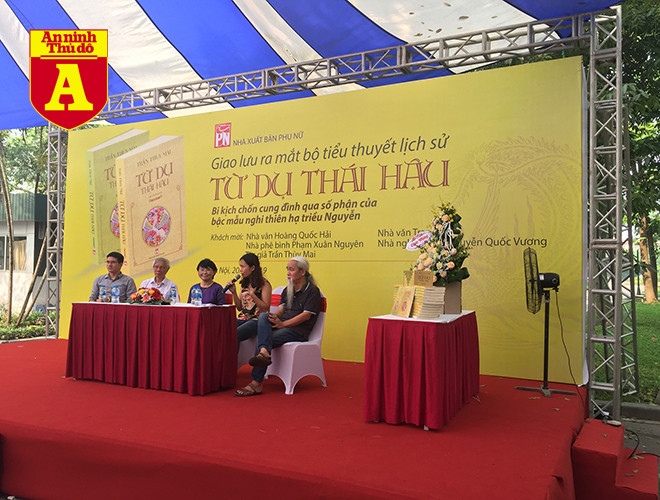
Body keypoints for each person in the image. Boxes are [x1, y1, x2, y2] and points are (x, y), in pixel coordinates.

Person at [234, 256, 321, 397]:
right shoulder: (287, 290)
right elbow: (280, 311)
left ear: (302, 272)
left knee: (264, 339)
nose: (288, 273)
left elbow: (306, 316)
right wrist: (275, 317)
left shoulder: (312, 291)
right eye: (287, 269)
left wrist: (282, 324)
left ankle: (256, 382)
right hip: (282, 326)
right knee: (263, 316)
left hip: (297, 331)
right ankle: (264, 352)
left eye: (291, 269)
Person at [226, 253, 272, 347]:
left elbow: (265, 308)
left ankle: (232, 357)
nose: (240, 270)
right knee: (225, 331)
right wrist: (234, 292)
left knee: (236, 334)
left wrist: (252, 295)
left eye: (243, 267)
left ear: (252, 268)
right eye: (240, 267)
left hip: (256, 320)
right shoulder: (245, 284)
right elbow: (239, 308)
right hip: (243, 318)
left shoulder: (264, 284)